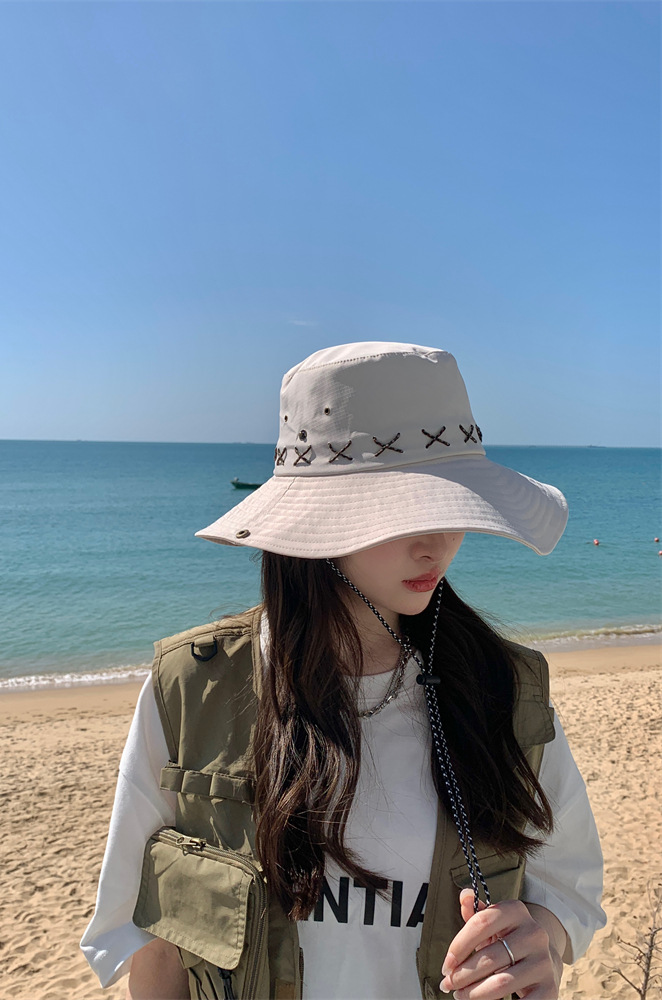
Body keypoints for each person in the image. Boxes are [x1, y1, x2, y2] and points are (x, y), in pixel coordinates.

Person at [81, 342, 605, 1000]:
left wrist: (539, 942)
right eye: (405, 512)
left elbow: (569, 886)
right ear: (318, 520)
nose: (438, 543)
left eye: (454, 505)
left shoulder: (505, 689)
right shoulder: (194, 689)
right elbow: (153, 940)